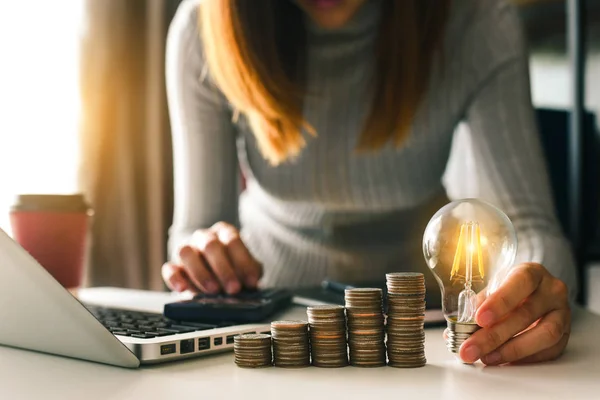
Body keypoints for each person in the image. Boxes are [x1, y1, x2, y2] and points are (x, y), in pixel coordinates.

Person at [163, 0, 576, 366]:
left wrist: (532, 297)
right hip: (274, 331)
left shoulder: (478, 22)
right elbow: (198, 227)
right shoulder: (203, 29)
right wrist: (205, 257)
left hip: (426, 330)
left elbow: (529, 228)